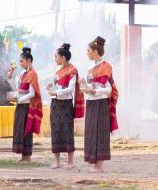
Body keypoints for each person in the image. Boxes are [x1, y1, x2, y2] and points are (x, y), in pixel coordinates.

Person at [79, 36, 119, 172]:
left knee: (100, 132)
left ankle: (99, 166)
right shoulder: (90, 67)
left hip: (101, 104)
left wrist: (93, 90)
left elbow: (109, 89)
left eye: (88, 50)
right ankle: (94, 162)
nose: (87, 53)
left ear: (95, 51)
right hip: (90, 103)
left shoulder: (106, 66)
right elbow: (89, 87)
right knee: (91, 132)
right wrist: (83, 84)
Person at [46, 43, 84, 169]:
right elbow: (56, 86)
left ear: (63, 57)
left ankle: (70, 161)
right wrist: (50, 87)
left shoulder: (72, 70)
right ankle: (56, 161)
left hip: (66, 104)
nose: (55, 59)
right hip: (55, 103)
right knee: (55, 131)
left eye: (56, 56)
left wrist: (55, 92)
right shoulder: (57, 70)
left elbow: (70, 89)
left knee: (67, 131)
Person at [7, 47, 43, 163]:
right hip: (21, 104)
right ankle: (23, 156)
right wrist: (10, 77)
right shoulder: (22, 73)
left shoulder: (33, 74)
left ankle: (27, 157)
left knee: (26, 130)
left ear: (28, 61)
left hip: (27, 106)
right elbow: (16, 89)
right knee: (20, 129)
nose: (20, 63)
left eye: (21, 61)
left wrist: (19, 100)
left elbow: (32, 93)